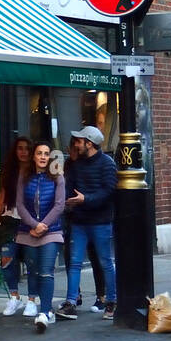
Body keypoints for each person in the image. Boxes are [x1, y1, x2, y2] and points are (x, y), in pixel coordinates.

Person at [60, 126, 118, 321]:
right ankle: (70, 302)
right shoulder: (77, 164)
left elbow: (109, 191)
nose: (76, 144)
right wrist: (69, 201)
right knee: (74, 263)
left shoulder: (107, 163)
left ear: (89, 143)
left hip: (100, 222)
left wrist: (85, 199)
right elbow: (72, 188)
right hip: (79, 221)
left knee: (105, 262)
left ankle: (112, 301)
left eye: (79, 141)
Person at [15, 141, 66, 332]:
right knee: (33, 271)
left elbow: (59, 205)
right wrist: (34, 225)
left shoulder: (58, 176)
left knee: (46, 271)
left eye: (46, 153)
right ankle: (44, 308)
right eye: (39, 153)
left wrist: (43, 226)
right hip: (28, 231)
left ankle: (44, 312)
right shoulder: (24, 176)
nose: (43, 157)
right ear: (33, 156)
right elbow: (20, 205)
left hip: (51, 232)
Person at [0, 136, 32, 316]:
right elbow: (1, 196)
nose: (23, 152)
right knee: (7, 259)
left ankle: (32, 299)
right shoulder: (9, 171)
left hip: (29, 220)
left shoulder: (35, 171)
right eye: (20, 148)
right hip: (9, 219)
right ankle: (15, 296)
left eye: (26, 148)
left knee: (32, 261)